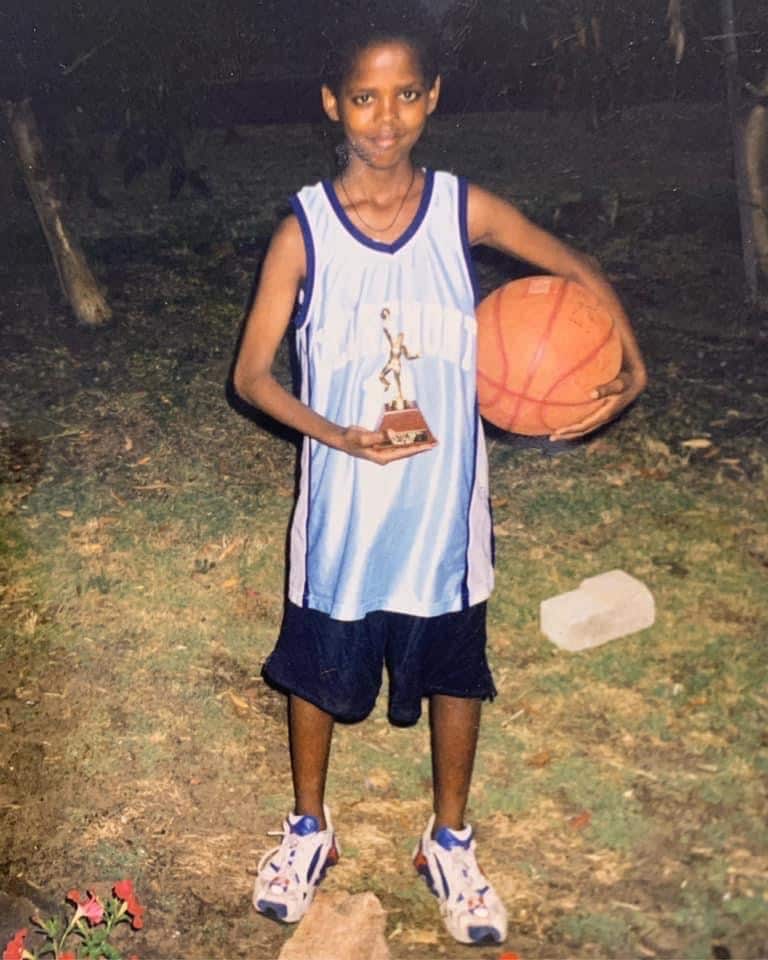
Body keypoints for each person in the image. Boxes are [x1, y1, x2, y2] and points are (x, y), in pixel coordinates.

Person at [233, 3, 646, 947]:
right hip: (342, 510)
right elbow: (250, 376)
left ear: (433, 99)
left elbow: (575, 267)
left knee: (458, 672)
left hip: (443, 518)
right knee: (315, 668)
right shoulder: (305, 231)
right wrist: (337, 434)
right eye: (366, 97)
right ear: (333, 103)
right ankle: (309, 830)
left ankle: (448, 839)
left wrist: (633, 367)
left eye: (407, 95)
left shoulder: (465, 209)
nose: (386, 118)